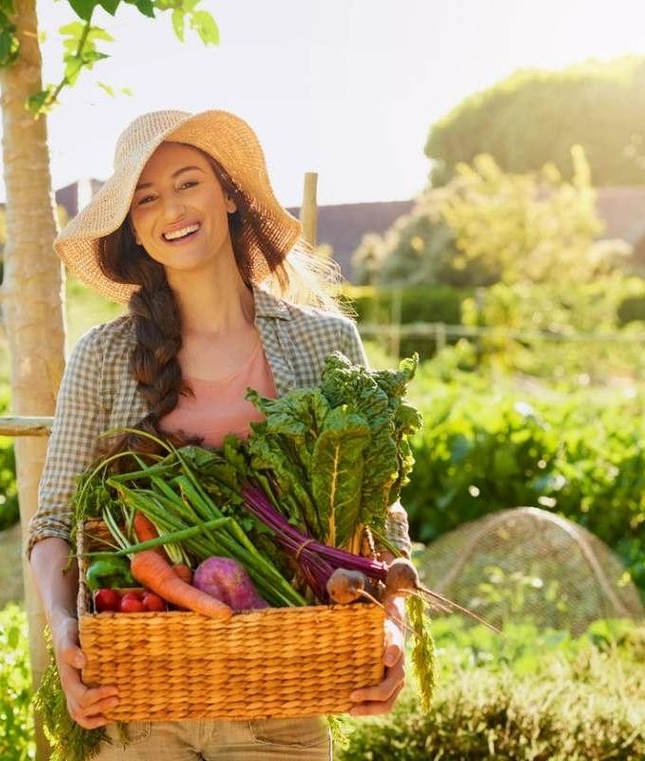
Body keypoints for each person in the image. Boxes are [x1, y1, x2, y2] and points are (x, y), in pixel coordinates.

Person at [25, 110, 412, 760]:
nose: (170, 207)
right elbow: (54, 522)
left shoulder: (322, 341)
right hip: (138, 705)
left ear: (229, 193)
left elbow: (376, 511)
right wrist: (64, 627)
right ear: (135, 231)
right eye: (145, 198)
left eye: (187, 182)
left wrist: (392, 622)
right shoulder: (104, 356)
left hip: (282, 702)